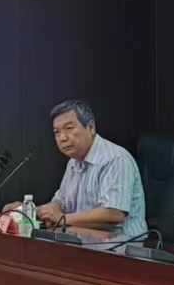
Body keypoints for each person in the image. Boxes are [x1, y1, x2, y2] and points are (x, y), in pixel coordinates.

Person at [15, 100, 148, 241]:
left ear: (91, 127)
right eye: (57, 132)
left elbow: (114, 213)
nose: (62, 138)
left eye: (69, 128)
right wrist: (27, 211)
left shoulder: (115, 159)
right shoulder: (74, 161)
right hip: (85, 242)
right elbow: (61, 202)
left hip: (121, 246)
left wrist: (63, 218)